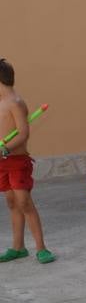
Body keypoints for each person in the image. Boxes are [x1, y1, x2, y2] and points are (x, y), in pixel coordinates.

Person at [0, 58, 55, 264]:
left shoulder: (15, 103)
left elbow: (23, 134)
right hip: (3, 162)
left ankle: (41, 248)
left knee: (24, 201)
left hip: (17, 161)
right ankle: (18, 247)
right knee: (12, 202)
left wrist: (5, 148)